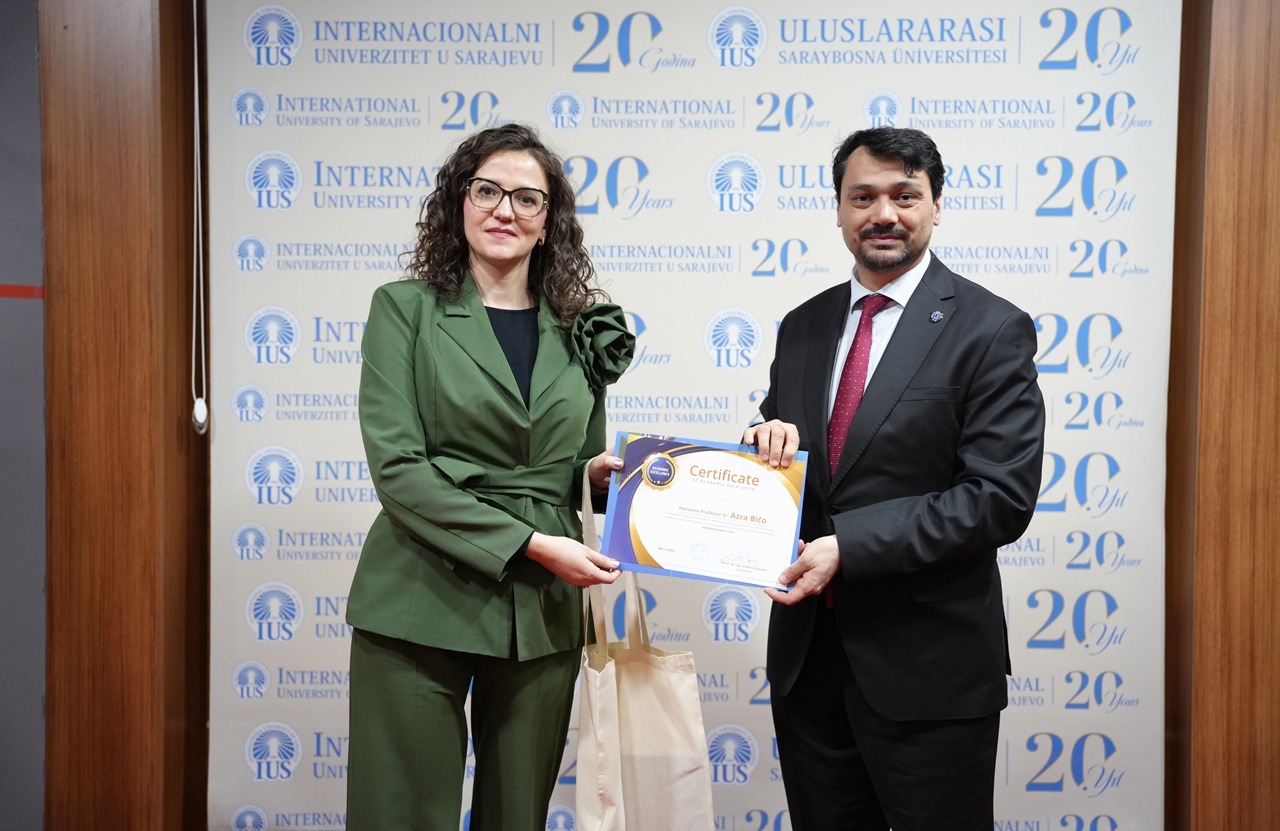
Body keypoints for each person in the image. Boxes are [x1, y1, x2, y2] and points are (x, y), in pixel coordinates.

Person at [742, 126, 1045, 830]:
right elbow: (797, 461)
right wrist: (761, 447)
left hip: (930, 671)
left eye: (905, 196)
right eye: (863, 197)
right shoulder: (802, 326)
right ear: (839, 210)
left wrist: (850, 546)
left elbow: (997, 498)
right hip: (808, 667)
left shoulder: (991, 329)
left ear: (936, 206)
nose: (884, 213)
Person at [344, 123, 635, 831]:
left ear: (549, 220)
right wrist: (531, 543)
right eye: (487, 191)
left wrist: (598, 477)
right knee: (401, 815)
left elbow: (575, 465)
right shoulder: (404, 309)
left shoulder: (583, 328)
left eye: (527, 198)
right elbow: (399, 470)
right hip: (419, 592)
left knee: (518, 816)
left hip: (542, 608)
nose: (505, 210)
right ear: (459, 202)